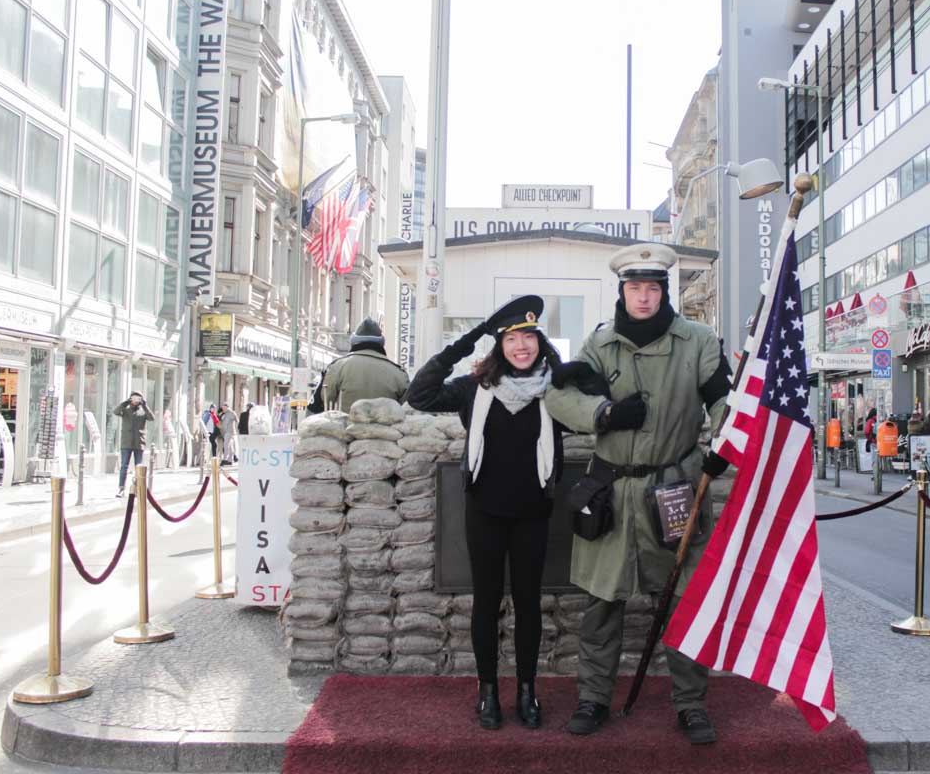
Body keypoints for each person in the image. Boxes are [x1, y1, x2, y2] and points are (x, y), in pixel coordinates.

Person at [545, 243, 732, 746]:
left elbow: (723, 400)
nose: (644, 297)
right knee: (601, 604)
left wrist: (723, 445)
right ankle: (593, 697)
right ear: (622, 292)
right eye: (634, 288)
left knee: (681, 601)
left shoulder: (697, 341)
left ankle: (691, 704)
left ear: (664, 291)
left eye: (652, 287)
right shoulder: (599, 344)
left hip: (672, 490)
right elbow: (560, 394)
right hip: (610, 490)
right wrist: (602, 414)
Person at [405, 296, 565, 731]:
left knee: (529, 603)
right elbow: (418, 395)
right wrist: (464, 343)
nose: (522, 346)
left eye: (529, 337)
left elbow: (595, 408)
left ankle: (528, 691)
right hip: (485, 513)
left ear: (540, 343)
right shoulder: (474, 388)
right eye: (512, 338)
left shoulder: (557, 389)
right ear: (499, 346)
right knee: (487, 602)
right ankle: (488, 690)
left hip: (533, 512)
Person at [310, 318, 409, 414]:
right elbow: (406, 410)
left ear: (354, 340)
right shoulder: (399, 374)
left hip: (345, 428)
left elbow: (321, 403)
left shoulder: (338, 367)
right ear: (381, 343)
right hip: (386, 429)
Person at [113, 392, 153, 497]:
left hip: (139, 442)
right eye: (134, 398)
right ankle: (121, 488)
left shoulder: (142, 411)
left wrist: (144, 405)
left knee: (138, 467)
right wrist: (126, 402)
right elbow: (116, 411)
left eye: (138, 398)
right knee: (124, 466)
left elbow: (151, 418)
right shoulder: (126, 410)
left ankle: (138, 488)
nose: (136, 400)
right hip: (126, 442)